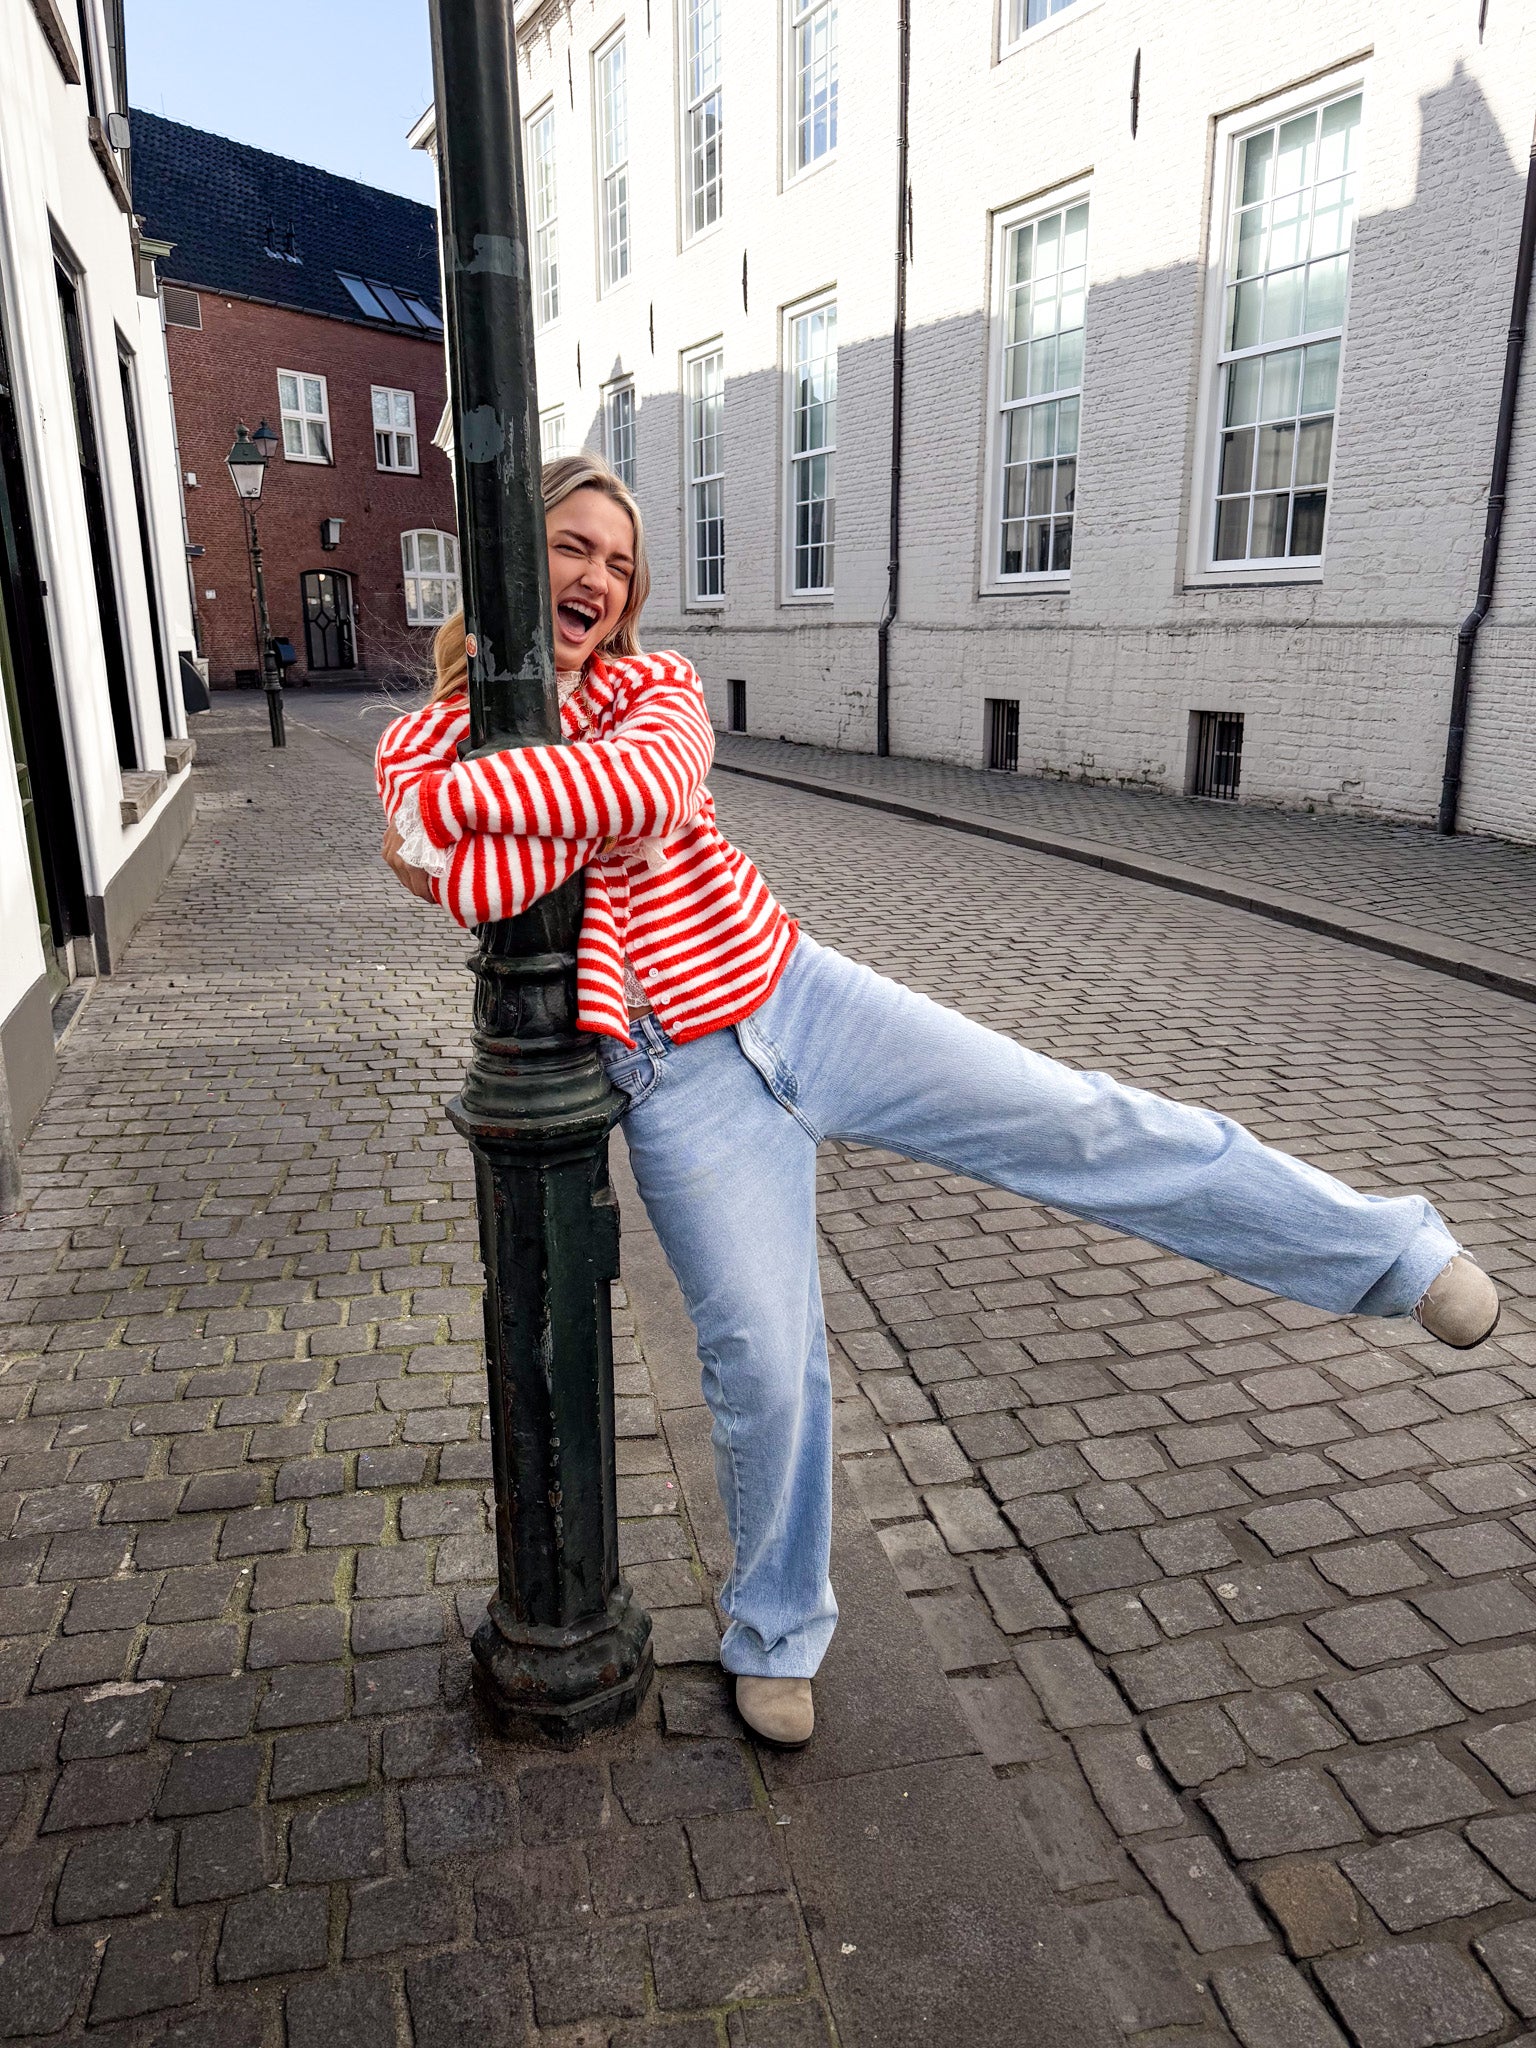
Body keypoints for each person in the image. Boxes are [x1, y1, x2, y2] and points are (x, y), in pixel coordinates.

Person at [378, 452, 1499, 1750]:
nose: (599, 579)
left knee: (1085, 1122)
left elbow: (645, 794)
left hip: (801, 996)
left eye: (621, 566)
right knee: (767, 1370)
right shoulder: (417, 737)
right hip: (674, 1086)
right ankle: (777, 1632)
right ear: (515, 559)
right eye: (575, 548)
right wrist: (518, 805)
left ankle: (1391, 1251)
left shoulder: (654, 688)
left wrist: (477, 803)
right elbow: (466, 895)